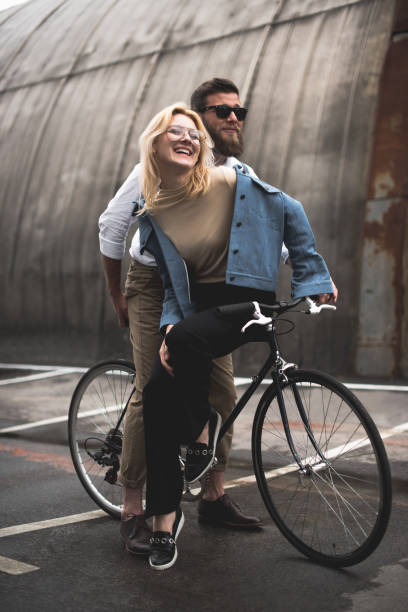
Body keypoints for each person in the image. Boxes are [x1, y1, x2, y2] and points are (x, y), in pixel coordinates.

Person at [134, 102, 335, 570]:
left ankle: (204, 427)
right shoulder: (153, 214)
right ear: (155, 146)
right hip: (201, 314)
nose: (188, 138)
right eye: (175, 133)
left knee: (183, 348)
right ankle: (164, 519)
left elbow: (291, 208)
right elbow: (171, 285)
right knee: (157, 392)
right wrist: (168, 328)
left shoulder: (227, 182)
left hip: (248, 303)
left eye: (193, 133)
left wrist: (310, 275)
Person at [99, 79, 268, 556]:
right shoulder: (158, 165)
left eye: (240, 112)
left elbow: (262, 231)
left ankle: (213, 496)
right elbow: (112, 225)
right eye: (221, 112)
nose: (233, 119)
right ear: (199, 121)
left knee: (222, 391)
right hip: (154, 284)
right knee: (153, 387)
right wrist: (118, 295)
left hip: (206, 288)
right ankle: (134, 510)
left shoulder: (237, 172)